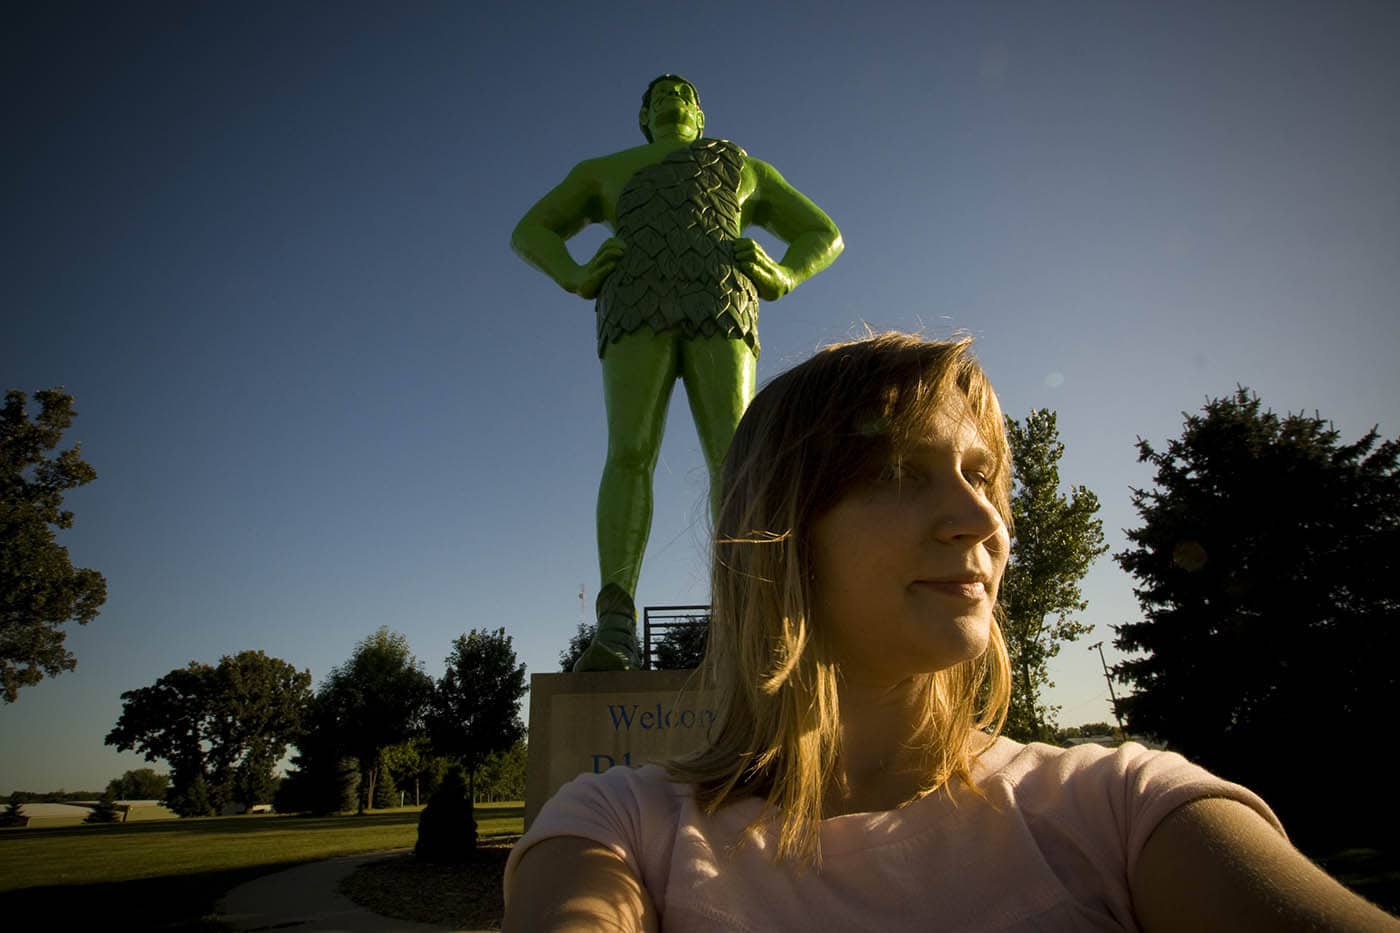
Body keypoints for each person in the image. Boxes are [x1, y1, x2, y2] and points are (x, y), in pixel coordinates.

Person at [503, 333, 1399, 931]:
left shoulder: (1118, 806)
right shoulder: (622, 827)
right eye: (900, 470)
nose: (980, 517)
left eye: (981, 474)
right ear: (780, 533)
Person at [511, 75, 843, 671]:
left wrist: (785, 274)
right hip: (635, 302)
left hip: (722, 300)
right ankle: (614, 627)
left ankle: (758, 616)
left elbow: (824, 233)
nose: (671, 98)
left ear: (700, 111)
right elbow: (531, 229)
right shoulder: (602, 169)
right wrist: (576, 272)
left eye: (683, 94)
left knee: (736, 455)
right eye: (658, 95)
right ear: (643, 117)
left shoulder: (741, 166)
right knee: (630, 450)